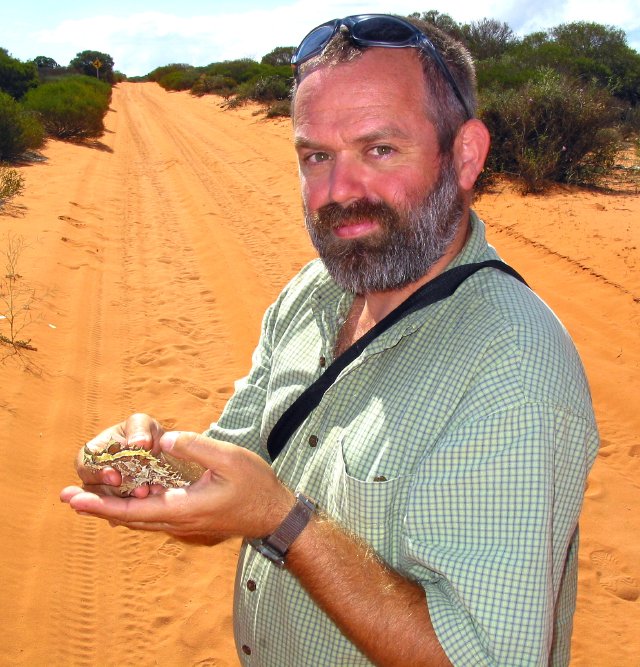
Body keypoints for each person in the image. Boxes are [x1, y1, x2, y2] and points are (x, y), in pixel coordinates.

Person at [61, 14, 599, 666]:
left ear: (465, 156)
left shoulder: (511, 361)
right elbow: (231, 479)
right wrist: (136, 467)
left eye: (379, 150)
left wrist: (284, 522)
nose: (339, 192)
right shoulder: (312, 294)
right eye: (316, 155)